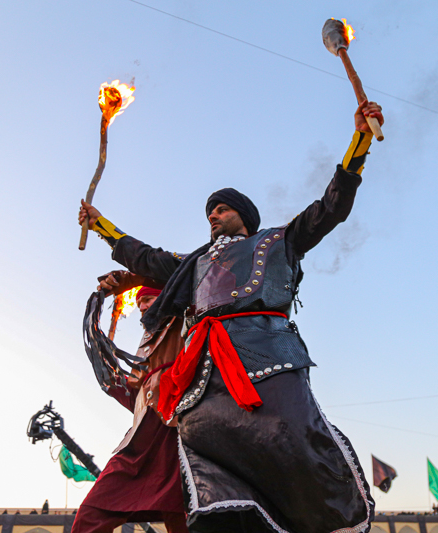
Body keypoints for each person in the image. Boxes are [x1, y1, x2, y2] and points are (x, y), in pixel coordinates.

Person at [78, 100, 384, 533]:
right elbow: (145, 257)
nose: (213, 216)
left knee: (294, 444)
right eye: (210, 212)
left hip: (265, 356)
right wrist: (101, 225)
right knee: (202, 465)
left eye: (221, 209)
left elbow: (330, 208)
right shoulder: (194, 263)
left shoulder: (279, 241)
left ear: (244, 215)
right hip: (204, 372)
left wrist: (360, 141)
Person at [72, 273, 188, 533]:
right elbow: (139, 401)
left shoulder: (186, 319)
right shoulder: (145, 345)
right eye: (139, 303)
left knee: (182, 520)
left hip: (181, 435)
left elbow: (176, 273)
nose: (142, 307)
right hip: (142, 441)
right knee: (92, 513)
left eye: (147, 299)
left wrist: (128, 279)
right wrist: (111, 377)